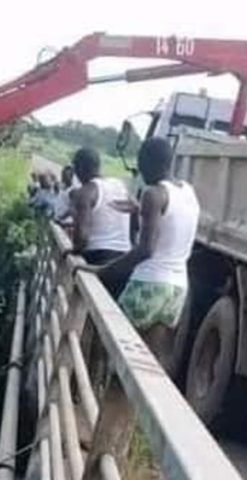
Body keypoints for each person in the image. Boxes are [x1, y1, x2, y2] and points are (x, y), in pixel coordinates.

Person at [97, 137, 199, 358]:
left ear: (144, 164)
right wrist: (139, 209)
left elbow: (145, 250)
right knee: (147, 360)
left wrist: (103, 272)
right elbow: (173, 221)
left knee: (109, 348)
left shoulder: (153, 194)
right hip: (177, 290)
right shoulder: (188, 191)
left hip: (149, 284)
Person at [68, 147, 132, 296]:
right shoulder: (120, 185)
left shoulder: (86, 192)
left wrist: (73, 250)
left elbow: (82, 239)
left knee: (89, 311)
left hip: (98, 258)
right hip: (123, 260)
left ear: (80, 168)